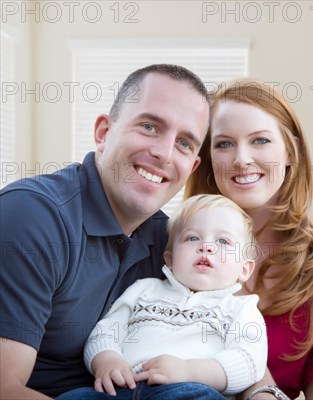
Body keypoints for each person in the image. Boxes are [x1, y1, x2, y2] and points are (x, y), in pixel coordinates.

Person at [0, 64, 210, 399]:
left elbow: (229, 323)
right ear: (103, 132)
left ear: (192, 167)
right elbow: (4, 389)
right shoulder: (32, 216)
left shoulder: (168, 243)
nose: (164, 153)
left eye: (184, 143)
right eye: (149, 126)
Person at [184, 78, 313, 399]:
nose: (241, 159)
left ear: (290, 151)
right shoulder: (174, 247)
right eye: (224, 144)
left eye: (259, 141)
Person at [58, 194, 267, 400]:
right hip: (122, 386)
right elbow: (107, 329)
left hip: (189, 389)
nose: (206, 246)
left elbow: (248, 361)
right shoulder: (144, 289)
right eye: (192, 238)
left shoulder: (241, 308)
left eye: (223, 240)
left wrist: (188, 371)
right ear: (170, 259)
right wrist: (107, 360)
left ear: (245, 269)